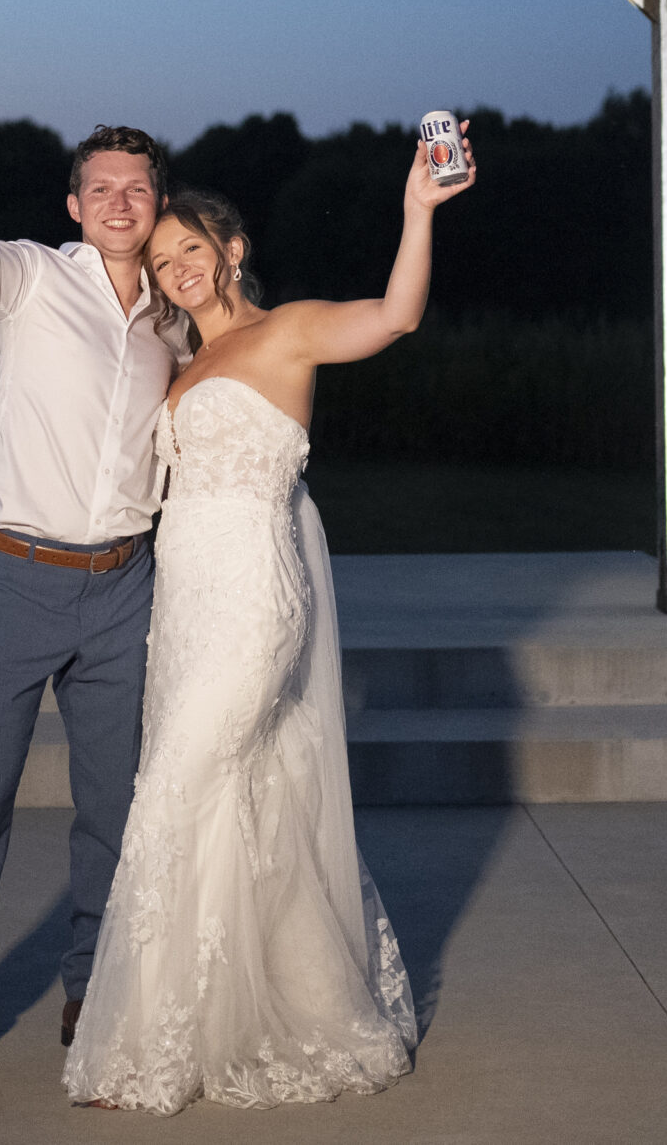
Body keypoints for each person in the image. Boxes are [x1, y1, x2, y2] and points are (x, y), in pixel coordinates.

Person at [64, 125, 476, 1113]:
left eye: (190, 248)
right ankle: (288, 1008)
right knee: (244, 801)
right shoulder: (177, 364)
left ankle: (145, 1052)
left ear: (230, 248)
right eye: (162, 260)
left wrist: (417, 212)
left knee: (173, 791)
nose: (176, 268)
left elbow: (394, 318)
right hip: (185, 605)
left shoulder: (285, 332)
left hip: (254, 600)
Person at [0, 79, 188, 1108]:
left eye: (136, 187)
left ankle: (90, 992)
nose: (117, 202)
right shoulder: (28, 280)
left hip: (122, 588)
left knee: (113, 809)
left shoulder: (172, 316)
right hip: (14, 579)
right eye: (99, 187)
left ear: (159, 203)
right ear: (73, 205)